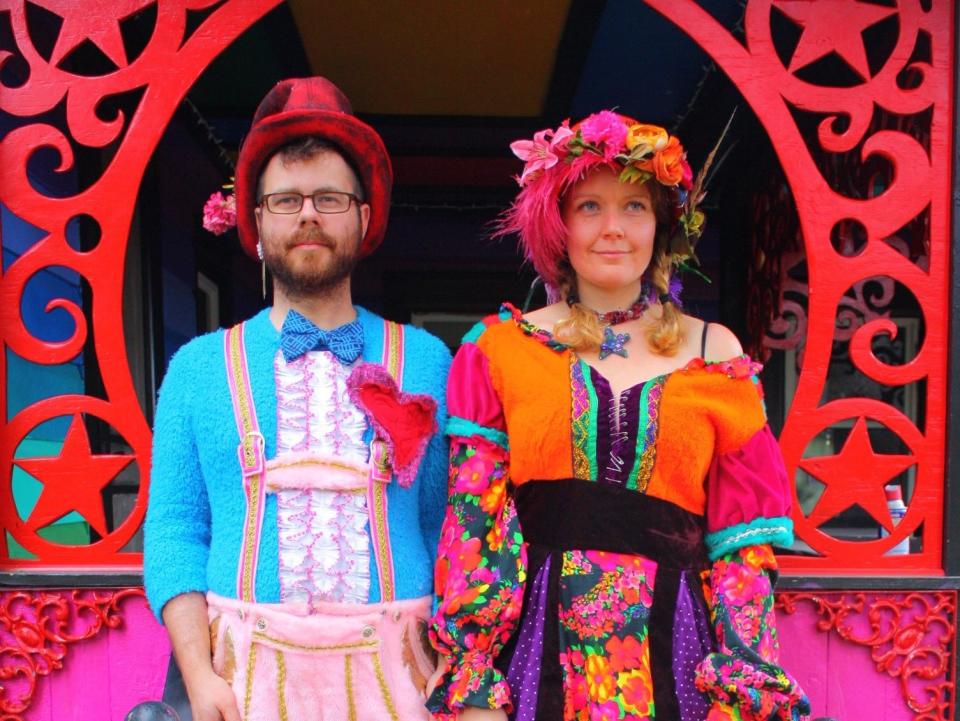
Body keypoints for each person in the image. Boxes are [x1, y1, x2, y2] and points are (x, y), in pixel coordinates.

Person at [425, 112, 811, 721]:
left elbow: (743, 549)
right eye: (589, 207)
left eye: (635, 207)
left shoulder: (718, 355)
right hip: (535, 659)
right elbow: (474, 519)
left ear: (662, 225)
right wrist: (473, 682)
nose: (613, 229)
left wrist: (743, 693)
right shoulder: (498, 350)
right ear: (559, 225)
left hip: (677, 656)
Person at [144, 76, 450, 721]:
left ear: (365, 217)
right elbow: (176, 532)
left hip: (403, 681)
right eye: (285, 201)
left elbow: (447, 523)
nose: (308, 214)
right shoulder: (198, 368)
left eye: (330, 198)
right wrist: (200, 678)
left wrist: (449, 663)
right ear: (255, 222)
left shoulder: (426, 360)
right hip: (242, 679)